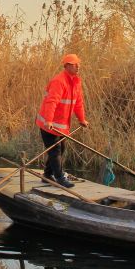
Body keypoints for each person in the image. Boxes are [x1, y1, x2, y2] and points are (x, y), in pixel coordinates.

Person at [36, 53, 89, 188]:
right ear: (66, 66)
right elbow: (51, 102)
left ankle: (47, 175)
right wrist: (48, 120)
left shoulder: (76, 82)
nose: (78, 66)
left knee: (60, 149)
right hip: (49, 125)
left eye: (78, 64)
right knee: (55, 151)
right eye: (74, 64)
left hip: (61, 126)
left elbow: (78, 103)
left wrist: (82, 119)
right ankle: (59, 178)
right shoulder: (59, 81)